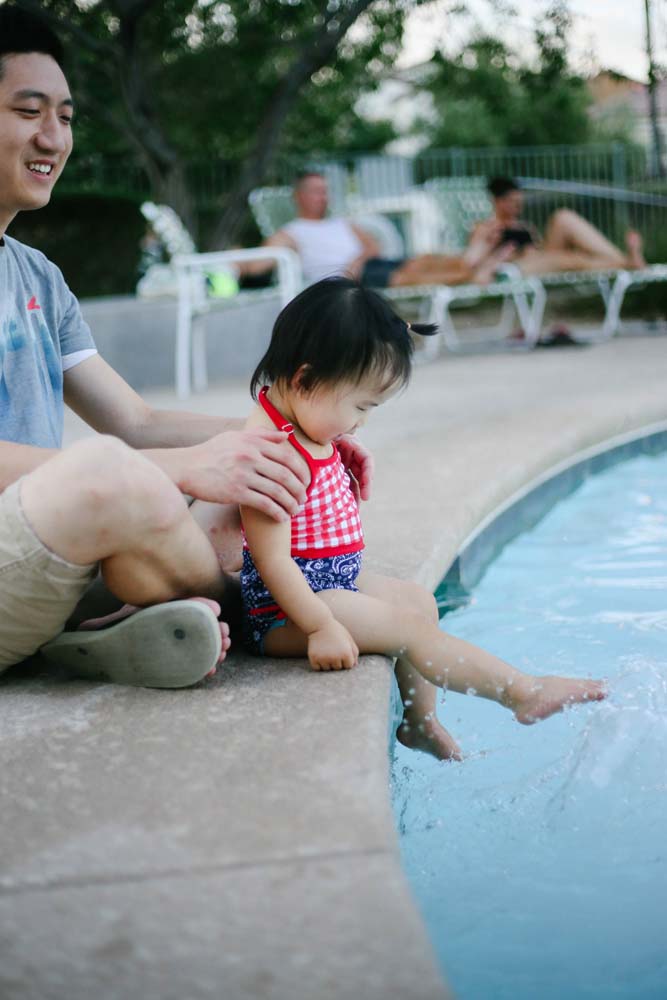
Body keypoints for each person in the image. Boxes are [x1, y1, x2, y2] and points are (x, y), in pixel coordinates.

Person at [0, 6, 373, 688]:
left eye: (66, 115)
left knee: (239, 477)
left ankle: (124, 626)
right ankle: (273, 612)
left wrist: (288, 439)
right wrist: (181, 468)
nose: (53, 136)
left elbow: (136, 421)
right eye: (29, 111)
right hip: (20, 544)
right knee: (111, 471)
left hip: (41, 552)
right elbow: (128, 455)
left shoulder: (35, 277)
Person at [238, 277, 606, 760]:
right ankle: (522, 692)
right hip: (288, 610)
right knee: (407, 631)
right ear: (305, 380)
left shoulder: (299, 422)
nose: (361, 423)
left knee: (418, 603)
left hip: (331, 582)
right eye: (361, 406)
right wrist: (319, 626)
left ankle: (419, 722)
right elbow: (271, 561)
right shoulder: (270, 454)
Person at [246, 171, 511, 289]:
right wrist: (233, 264)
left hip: (367, 265)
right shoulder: (292, 231)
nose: (324, 197)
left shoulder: (341, 222)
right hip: (349, 281)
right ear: (299, 196)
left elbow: (372, 245)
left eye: (325, 191)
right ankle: (475, 267)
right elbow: (258, 264)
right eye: (317, 192)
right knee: (412, 274)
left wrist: (358, 260)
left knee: (424, 260)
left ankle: (473, 262)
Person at [469, 176, 646, 276]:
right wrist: (501, 253)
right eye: (513, 203)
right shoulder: (485, 228)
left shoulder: (523, 225)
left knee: (563, 216)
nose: (518, 207)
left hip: (541, 258)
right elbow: (475, 260)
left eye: (519, 202)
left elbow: (537, 246)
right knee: (569, 259)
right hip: (518, 266)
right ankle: (627, 262)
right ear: (497, 202)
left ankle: (622, 259)